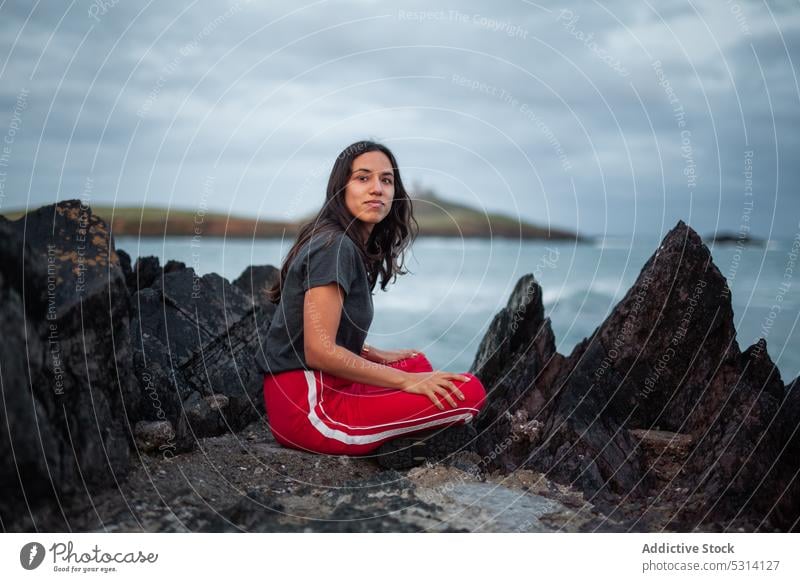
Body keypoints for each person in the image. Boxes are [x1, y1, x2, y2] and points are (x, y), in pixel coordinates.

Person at [256, 140, 487, 469]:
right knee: (470, 392)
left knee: (417, 363)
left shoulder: (343, 241)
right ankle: (387, 439)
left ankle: (389, 430)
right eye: (363, 178)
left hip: (323, 385)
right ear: (341, 188)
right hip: (310, 410)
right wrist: (406, 383)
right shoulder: (333, 246)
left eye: (386, 180)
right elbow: (318, 351)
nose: (377, 189)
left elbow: (319, 325)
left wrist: (370, 353)